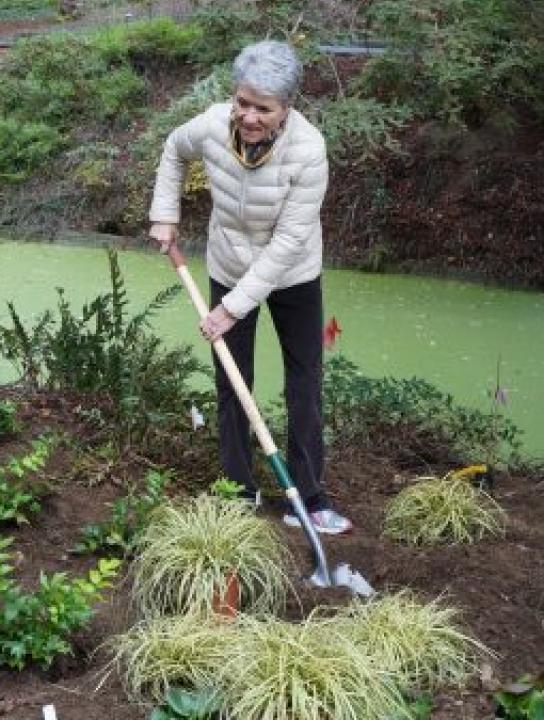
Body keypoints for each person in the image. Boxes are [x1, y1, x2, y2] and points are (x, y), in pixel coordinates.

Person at [148, 40, 351, 535]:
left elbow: (287, 243)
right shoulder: (214, 125)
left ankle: (309, 495)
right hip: (228, 262)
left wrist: (233, 308)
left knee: (304, 384)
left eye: (264, 108)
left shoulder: (308, 150)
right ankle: (237, 489)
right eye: (243, 102)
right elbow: (175, 150)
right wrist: (165, 215)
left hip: (292, 274)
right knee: (231, 382)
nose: (249, 116)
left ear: (287, 108)